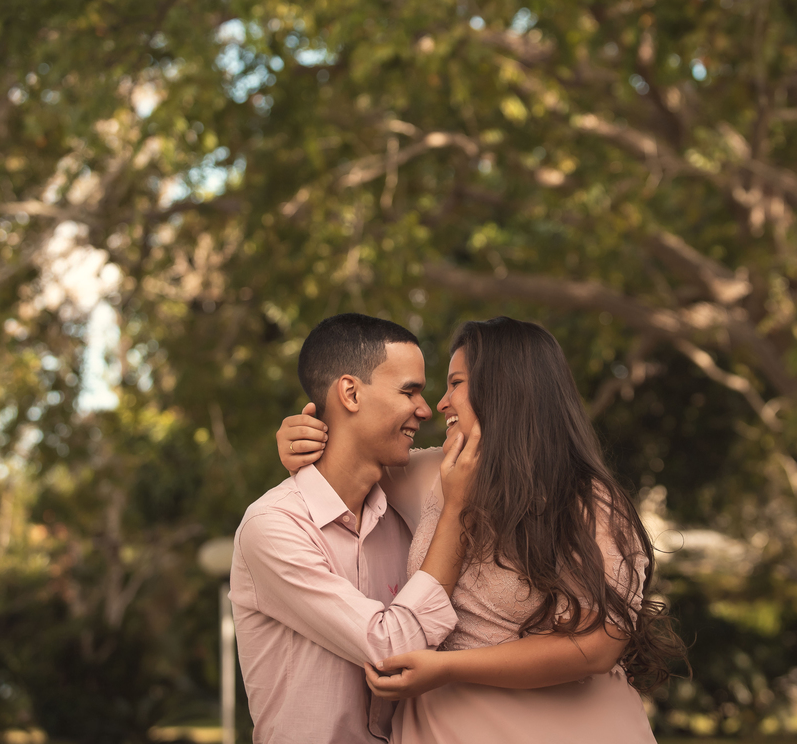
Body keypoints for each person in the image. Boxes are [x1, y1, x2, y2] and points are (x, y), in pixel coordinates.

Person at [278, 317, 685, 743]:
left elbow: (598, 647)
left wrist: (447, 668)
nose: (439, 403)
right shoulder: (435, 473)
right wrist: (304, 440)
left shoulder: (589, 501)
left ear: (504, 389)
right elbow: (352, 457)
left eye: (455, 383)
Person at [230, 313, 481, 744]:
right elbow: (391, 650)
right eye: (409, 391)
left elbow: (496, 457)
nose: (426, 409)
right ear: (349, 393)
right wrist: (456, 512)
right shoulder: (273, 527)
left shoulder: (405, 511)